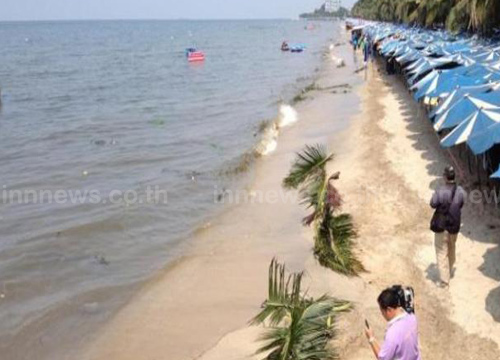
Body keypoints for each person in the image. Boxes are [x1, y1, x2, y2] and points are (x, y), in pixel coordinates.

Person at [430, 165, 465, 287]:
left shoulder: (440, 190)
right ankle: (448, 270)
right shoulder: (460, 191)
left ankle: (445, 280)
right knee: (451, 248)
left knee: (441, 251)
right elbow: (460, 204)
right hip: (454, 225)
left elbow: (433, 204)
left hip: (441, 225)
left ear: (445, 177)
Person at [365, 287, 421, 360]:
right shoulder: (412, 317)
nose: (382, 314)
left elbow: (383, 358)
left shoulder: (393, 333)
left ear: (388, 310)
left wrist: (371, 338)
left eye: (382, 311)